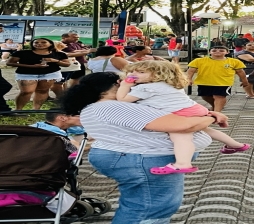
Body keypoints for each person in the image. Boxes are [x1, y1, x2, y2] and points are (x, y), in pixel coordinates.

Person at [58, 72, 227, 223]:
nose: (135, 86)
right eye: (127, 82)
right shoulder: (115, 107)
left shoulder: (99, 107)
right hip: (141, 160)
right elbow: (184, 126)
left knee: (142, 203)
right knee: (150, 208)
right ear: (114, 86)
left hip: (134, 158)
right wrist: (212, 117)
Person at [117, 61, 250, 174]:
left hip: (181, 114)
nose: (132, 74)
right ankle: (236, 145)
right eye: (131, 71)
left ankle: (182, 163)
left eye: (141, 72)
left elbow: (122, 100)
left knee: (181, 138)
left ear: (159, 74)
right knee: (206, 129)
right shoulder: (169, 85)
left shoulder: (146, 88)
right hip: (194, 109)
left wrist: (124, 86)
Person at [7, 38, 71, 110]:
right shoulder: (22, 53)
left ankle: (36, 109)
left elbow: (67, 64)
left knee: (42, 91)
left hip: (50, 74)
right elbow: (9, 63)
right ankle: (18, 109)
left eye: (43, 42)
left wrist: (55, 61)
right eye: (36, 42)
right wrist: (32, 66)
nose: (39, 44)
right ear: (32, 44)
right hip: (26, 74)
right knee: (26, 92)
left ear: (50, 44)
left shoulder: (59, 54)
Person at [186, 46, 250, 112]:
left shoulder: (234, 61)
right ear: (209, 52)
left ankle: (217, 112)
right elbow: (191, 70)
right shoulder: (199, 61)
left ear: (227, 52)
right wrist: (189, 79)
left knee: (220, 97)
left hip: (224, 83)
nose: (217, 52)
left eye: (221, 50)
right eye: (214, 51)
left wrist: (244, 80)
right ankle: (214, 106)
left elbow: (240, 72)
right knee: (205, 96)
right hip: (204, 82)